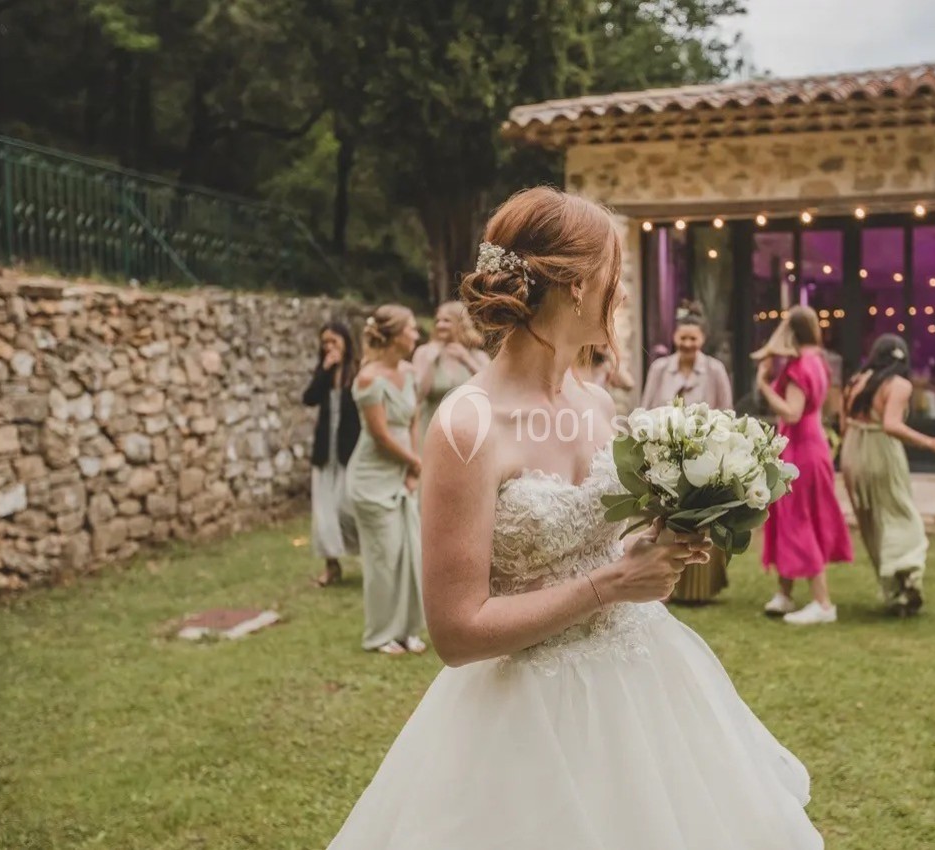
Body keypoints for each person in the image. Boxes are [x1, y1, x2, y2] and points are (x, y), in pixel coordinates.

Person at [325, 187, 824, 850]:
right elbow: (455, 632)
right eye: (615, 283)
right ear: (578, 287)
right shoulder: (467, 426)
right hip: (528, 719)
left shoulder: (596, 405)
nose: (619, 300)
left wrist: (665, 539)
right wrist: (611, 584)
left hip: (646, 688)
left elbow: (604, 539)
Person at [841, 334, 935, 616]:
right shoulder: (899, 385)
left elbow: (844, 423)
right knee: (902, 515)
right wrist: (931, 443)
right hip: (880, 450)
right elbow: (891, 425)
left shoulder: (857, 381)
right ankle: (906, 576)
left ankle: (894, 591)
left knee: (872, 521)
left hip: (852, 453)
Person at [754, 306, 854, 624]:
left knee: (798, 517)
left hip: (801, 447)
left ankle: (823, 604)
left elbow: (792, 412)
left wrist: (766, 387)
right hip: (813, 444)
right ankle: (785, 593)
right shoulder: (819, 361)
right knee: (789, 515)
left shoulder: (799, 367)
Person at [639, 301, 734, 603]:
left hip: (702, 455)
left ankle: (697, 588)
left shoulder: (715, 370)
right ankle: (660, 584)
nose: (688, 344)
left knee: (700, 518)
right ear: (675, 338)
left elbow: (726, 411)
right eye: (684, 338)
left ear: (702, 340)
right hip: (664, 452)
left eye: (694, 338)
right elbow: (645, 405)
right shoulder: (659, 369)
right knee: (661, 515)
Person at [347, 305, 427, 655]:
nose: (416, 334)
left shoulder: (409, 373)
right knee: (385, 556)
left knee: (410, 550)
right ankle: (380, 634)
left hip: (403, 473)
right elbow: (379, 435)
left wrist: (412, 466)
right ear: (394, 336)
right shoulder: (369, 378)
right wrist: (415, 462)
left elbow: (412, 419)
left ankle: (408, 630)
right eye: (411, 328)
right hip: (372, 478)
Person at [302, 321, 362, 587]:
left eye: (334, 341)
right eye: (325, 342)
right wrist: (325, 370)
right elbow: (309, 398)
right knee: (324, 512)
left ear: (346, 342)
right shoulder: (324, 373)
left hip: (352, 451)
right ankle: (331, 566)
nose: (329, 347)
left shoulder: (359, 372)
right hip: (326, 451)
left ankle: (371, 559)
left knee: (349, 507)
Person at [412, 300, 490, 446]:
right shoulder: (423, 353)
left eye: (447, 321)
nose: (440, 325)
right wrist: (430, 361)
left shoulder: (478, 357)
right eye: (438, 321)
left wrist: (467, 360)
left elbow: (492, 391)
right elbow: (417, 395)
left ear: (460, 323)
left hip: (468, 433)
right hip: (431, 431)